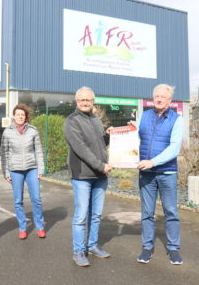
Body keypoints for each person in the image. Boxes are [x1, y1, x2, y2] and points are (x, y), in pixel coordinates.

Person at [134, 84, 184, 265]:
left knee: (171, 212)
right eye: (156, 96)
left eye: (163, 96)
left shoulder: (177, 120)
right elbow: (133, 137)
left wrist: (153, 162)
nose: (159, 99)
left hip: (167, 172)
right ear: (152, 98)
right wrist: (120, 133)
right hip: (146, 173)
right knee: (147, 213)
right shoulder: (144, 116)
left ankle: (173, 249)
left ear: (170, 100)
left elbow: (174, 148)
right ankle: (147, 247)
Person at [64, 86, 113, 267]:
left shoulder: (96, 120)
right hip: (82, 176)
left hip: (100, 175)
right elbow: (81, 149)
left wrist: (108, 136)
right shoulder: (71, 121)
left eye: (88, 100)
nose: (85, 102)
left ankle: (92, 245)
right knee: (81, 215)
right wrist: (101, 166)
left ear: (93, 101)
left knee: (97, 214)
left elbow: (99, 144)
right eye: (81, 100)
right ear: (77, 101)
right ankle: (78, 251)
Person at [1, 104, 46, 239]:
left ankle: (40, 227)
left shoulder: (33, 130)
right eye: (18, 114)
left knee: (36, 199)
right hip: (15, 170)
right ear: (14, 116)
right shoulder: (7, 132)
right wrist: (6, 172)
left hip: (32, 168)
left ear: (26, 117)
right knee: (18, 200)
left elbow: (38, 150)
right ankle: (22, 228)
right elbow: (4, 154)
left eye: (23, 114)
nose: (20, 116)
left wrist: (40, 168)